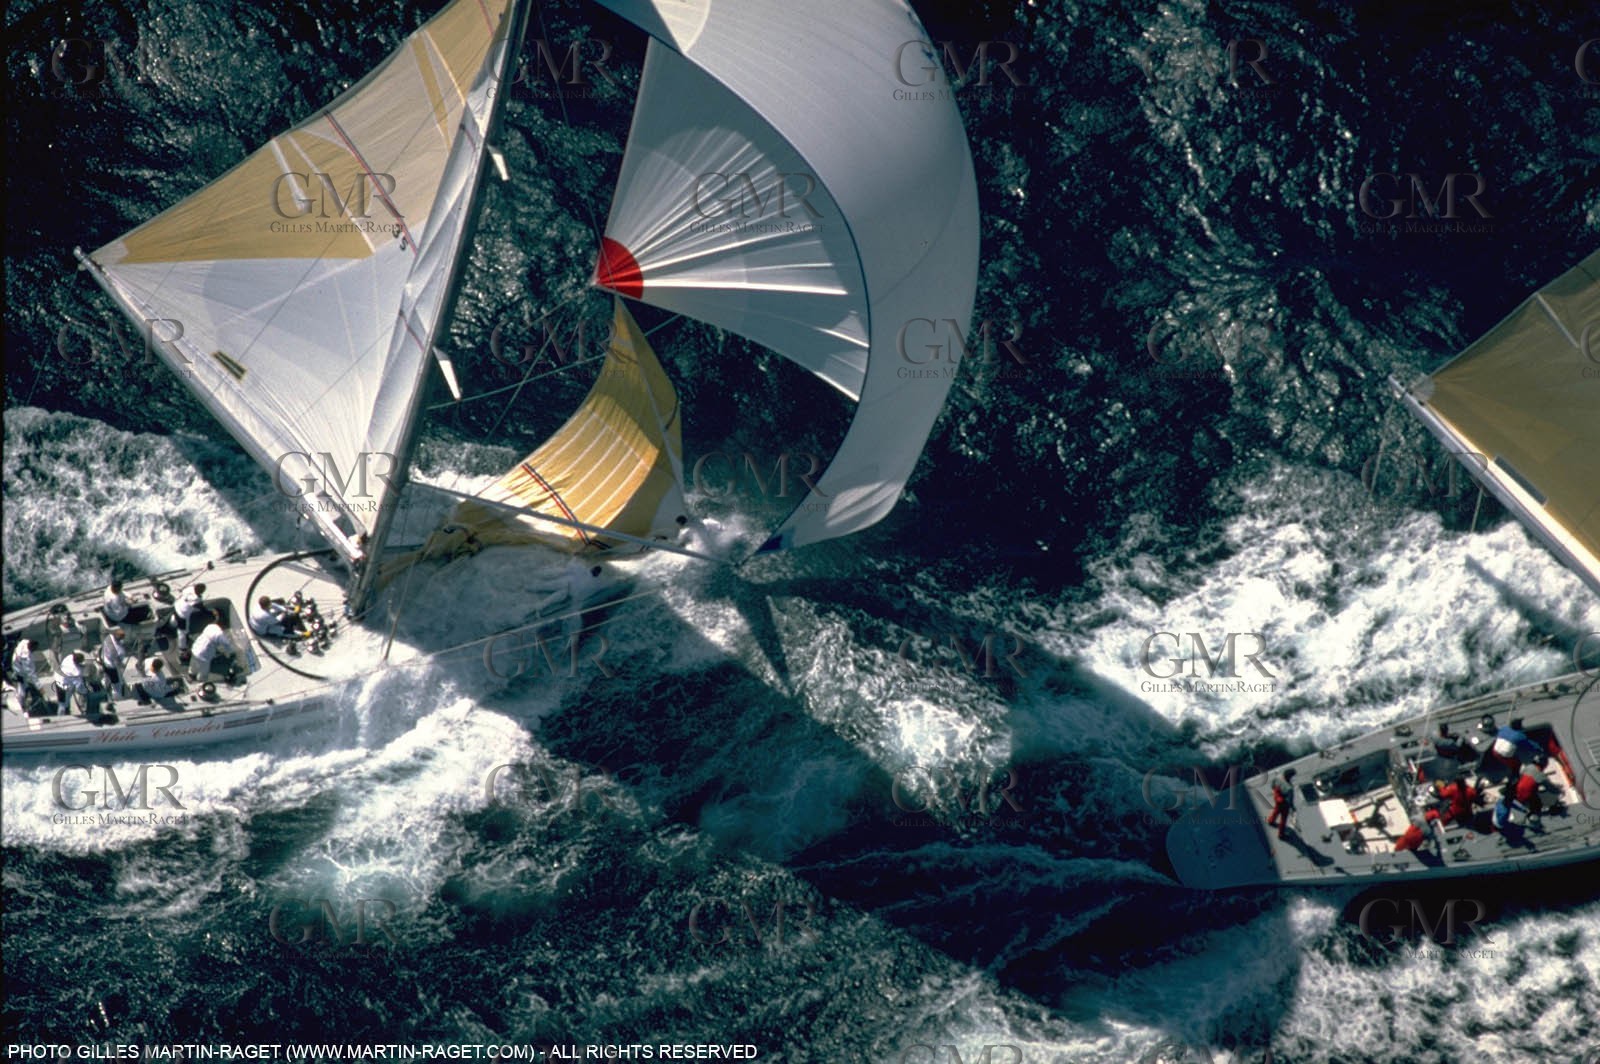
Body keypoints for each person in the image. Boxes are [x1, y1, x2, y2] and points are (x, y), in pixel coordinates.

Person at [99, 626, 131, 699]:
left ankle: (105, 685)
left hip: (103, 660)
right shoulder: (119, 651)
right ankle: (116, 696)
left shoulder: (108, 637)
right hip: (111, 667)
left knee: (106, 676)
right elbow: (118, 663)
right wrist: (123, 665)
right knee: (116, 683)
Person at [55, 651, 90, 715]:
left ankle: (64, 712)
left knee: (62, 702)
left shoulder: (69, 657)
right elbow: (79, 687)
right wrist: (86, 692)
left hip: (58, 680)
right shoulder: (76, 671)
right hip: (64, 686)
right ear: (77, 662)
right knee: (63, 704)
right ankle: (61, 717)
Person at [174, 582, 207, 649]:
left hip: (177, 606)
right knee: (182, 631)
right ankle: (182, 647)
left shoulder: (189, 588)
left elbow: (183, 592)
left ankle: (172, 624)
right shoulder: (196, 599)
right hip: (182, 615)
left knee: (174, 618)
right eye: (202, 591)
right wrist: (206, 612)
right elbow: (200, 607)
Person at [1267, 770, 1296, 839]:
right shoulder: (1289, 788)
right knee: (1283, 818)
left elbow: (1273, 784)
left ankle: (1271, 821)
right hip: (1283, 801)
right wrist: (1292, 807)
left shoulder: (1278, 777)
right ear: (1290, 777)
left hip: (1277, 796)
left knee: (1276, 810)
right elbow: (1290, 800)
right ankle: (1281, 834)